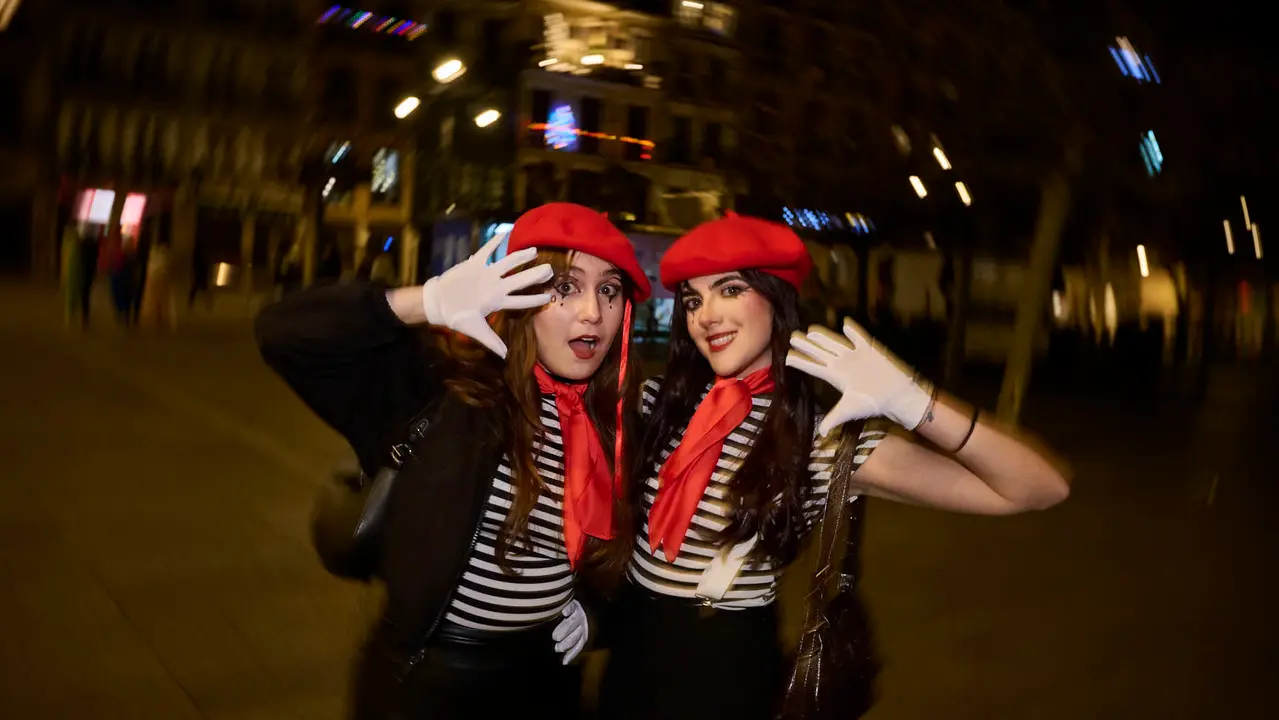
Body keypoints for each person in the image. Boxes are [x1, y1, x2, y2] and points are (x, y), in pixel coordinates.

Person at [599, 212, 1071, 720]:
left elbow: (1037, 488)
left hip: (723, 671)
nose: (705, 315)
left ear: (777, 301)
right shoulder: (658, 403)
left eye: (729, 290)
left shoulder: (823, 437)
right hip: (629, 657)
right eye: (693, 300)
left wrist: (916, 402)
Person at [255, 203, 652, 719]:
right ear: (517, 292)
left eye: (609, 290)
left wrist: (593, 610)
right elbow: (284, 334)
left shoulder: (616, 420)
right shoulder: (443, 392)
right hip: (433, 679)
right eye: (565, 286)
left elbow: (634, 553)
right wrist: (427, 300)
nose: (593, 312)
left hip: (547, 681)